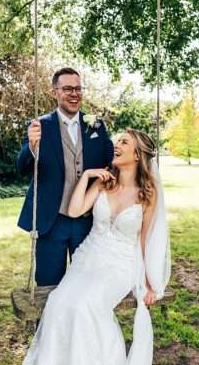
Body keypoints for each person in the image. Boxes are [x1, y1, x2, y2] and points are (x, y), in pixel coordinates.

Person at [22, 129, 171, 365]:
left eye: (124, 142)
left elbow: (146, 239)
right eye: (116, 141)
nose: (116, 145)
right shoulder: (104, 184)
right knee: (59, 301)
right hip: (87, 258)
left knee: (86, 305)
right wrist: (88, 176)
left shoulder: (147, 194)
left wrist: (149, 281)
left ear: (136, 155)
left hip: (120, 265)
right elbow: (74, 210)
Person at [16, 67, 115, 287]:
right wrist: (32, 146)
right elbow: (22, 168)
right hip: (52, 221)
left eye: (78, 88)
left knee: (87, 285)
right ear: (55, 92)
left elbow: (112, 162)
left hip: (87, 220)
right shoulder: (39, 126)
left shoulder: (96, 125)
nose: (74, 93)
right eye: (68, 88)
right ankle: (48, 323)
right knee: (48, 286)